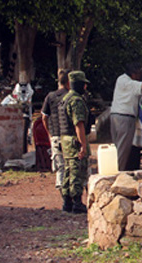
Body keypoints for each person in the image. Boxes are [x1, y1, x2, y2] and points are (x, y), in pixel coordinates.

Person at [58, 71, 91, 214]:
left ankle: (67, 202)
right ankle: (77, 202)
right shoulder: (76, 101)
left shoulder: (64, 98)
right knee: (77, 170)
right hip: (73, 139)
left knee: (68, 171)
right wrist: (83, 145)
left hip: (65, 140)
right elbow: (79, 124)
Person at [110, 62, 142, 171]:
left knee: (118, 147)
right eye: (139, 74)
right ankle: (119, 172)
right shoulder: (130, 83)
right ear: (134, 74)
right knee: (123, 149)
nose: (140, 77)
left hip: (115, 116)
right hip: (125, 118)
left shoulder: (120, 79)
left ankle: (116, 169)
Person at [41, 69, 70, 189]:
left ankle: (64, 200)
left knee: (60, 168)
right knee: (73, 167)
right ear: (69, 82)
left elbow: (44, 117)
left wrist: (50, 133)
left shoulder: (50, 96)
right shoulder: (72, 97)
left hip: (56, 137)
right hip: (70, 136)